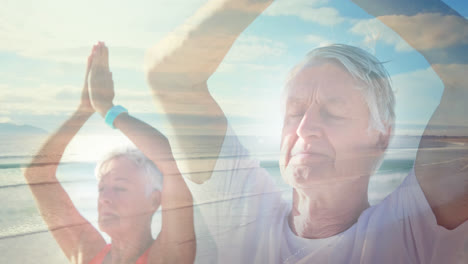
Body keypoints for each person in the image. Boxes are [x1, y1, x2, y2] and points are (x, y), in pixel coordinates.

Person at [144, 0, 468, 263]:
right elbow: (172, 77)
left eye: (333, 112)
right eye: (295, 111)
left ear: (381, 137)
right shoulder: (246, 220)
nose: (304, 128)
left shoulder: (411, 230)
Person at [23, 42, 196, 264]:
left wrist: (107, 109)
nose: (104, 199)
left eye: (120, 188)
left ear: (154, 200)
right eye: (102, 188)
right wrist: (84, 110)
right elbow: (37, 176)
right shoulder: (87, 253)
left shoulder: (168, 256)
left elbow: (167, 160)